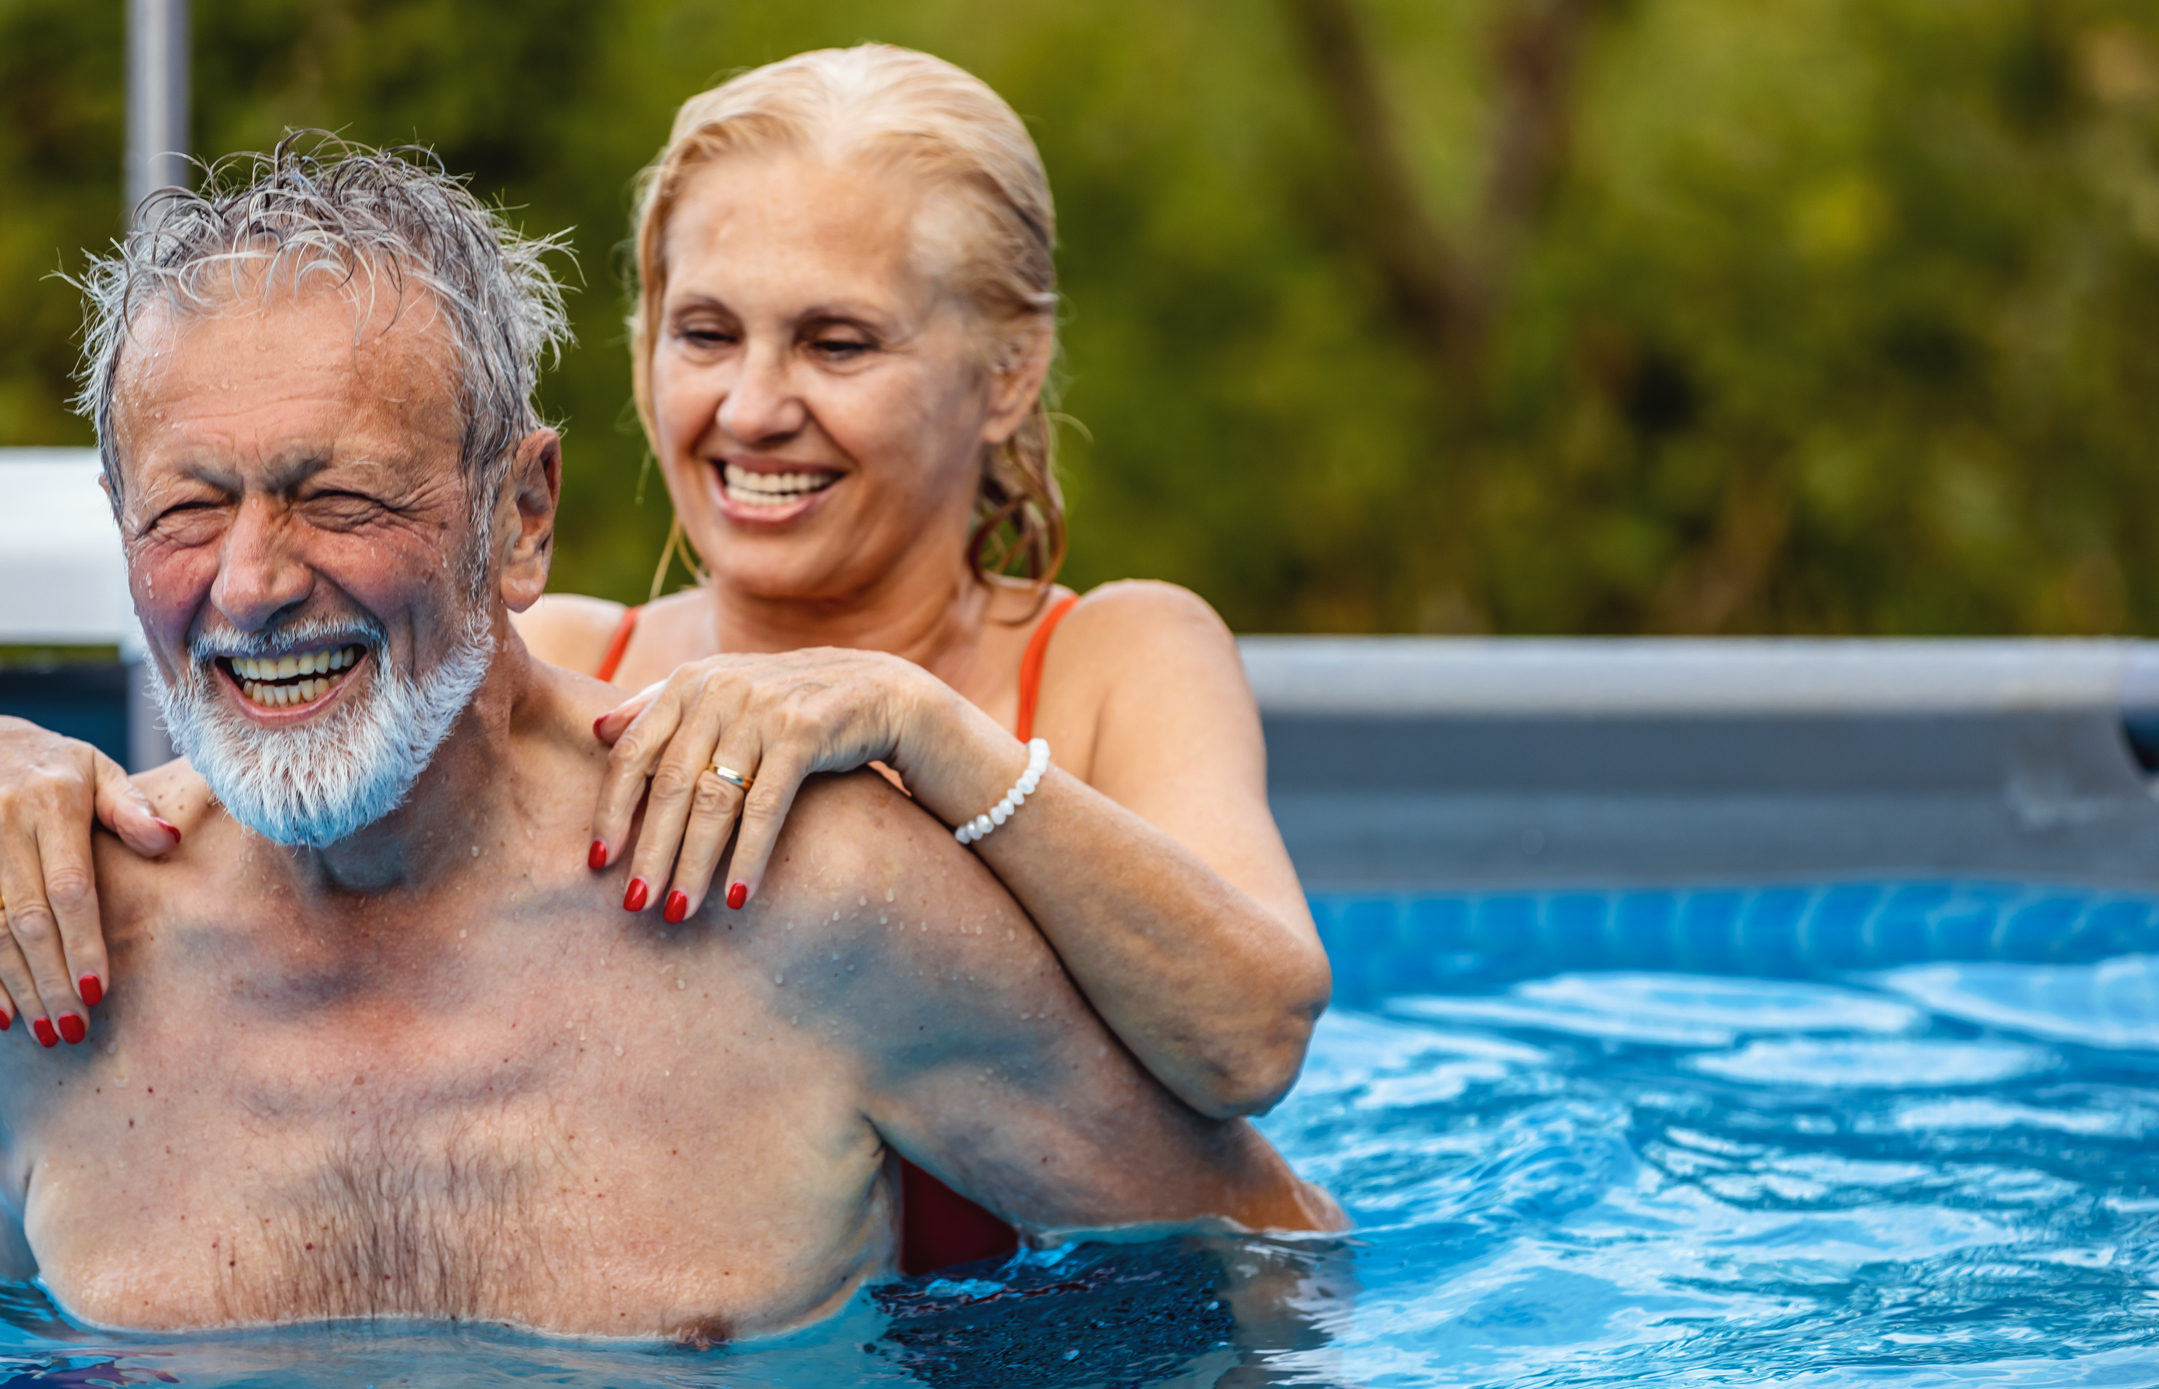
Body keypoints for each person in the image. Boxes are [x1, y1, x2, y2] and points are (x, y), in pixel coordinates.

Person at [0, 45, 1332, 1271]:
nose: (752, 406)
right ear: (641, 352)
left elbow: (1252, 1049)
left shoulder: (1113, 657)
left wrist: (928, 727)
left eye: (838, 340)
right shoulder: (572, 658)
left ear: (1007, 371)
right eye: (705, 333)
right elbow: (315, 760)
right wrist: (44, 795)